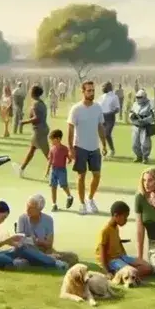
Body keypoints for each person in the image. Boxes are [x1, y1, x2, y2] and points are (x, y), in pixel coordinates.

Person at [0, 201, 62, 269]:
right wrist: (8, 240)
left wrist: (13, 244)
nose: (3, 221)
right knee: (3, 258)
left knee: (20, 248)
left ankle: (52, 262)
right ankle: (18, 262)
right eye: (3, 217)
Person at [67, 80, 107, 215]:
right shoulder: (76, 109)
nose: (91, 93)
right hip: (80, 147)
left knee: (97, 175)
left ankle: (90, 199)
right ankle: (82, 203)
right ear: (83, 92)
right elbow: (70, 129)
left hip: (94, 147)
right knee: (81, 177)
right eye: (88, 90)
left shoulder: (97, 107)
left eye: (93, 90)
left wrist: (104, 144)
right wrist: (71, 148)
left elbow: (100, 126)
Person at [16, 194, 79, 267]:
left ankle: (47, 259)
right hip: (28, 251)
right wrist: (36, 241)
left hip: (45, 251)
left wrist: (36, 241)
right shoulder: (22, 218)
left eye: (31, 208)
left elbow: (49, 244)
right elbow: (19, 240)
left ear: (40, 209)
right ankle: (51, 260)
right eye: (27, 206)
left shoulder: (48, 220)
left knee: (73, 256)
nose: (27, 209)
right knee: (26, 253)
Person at [97, 201, 153, 277]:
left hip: (122, 257)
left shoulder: (115, 228)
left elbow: (118, 244)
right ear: (116, 215)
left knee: (148, 267)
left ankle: (125, 272)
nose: (126, 220)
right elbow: (102, 252)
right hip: (112, 260)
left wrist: (127, 260)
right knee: (136, 271)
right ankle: (121, 274)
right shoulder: (105, 231)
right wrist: (107, 272)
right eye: (125, 217)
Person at [14, 85, 50, 178]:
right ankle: (21, 169)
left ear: (33, 93)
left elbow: (36, 118)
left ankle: (58, 173)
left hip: (39, 131)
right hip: (41, 130)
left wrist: (24, 122)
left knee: (48, 155)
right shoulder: (41, 103)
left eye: (30, 90)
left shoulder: (35, 104)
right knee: (32, 150)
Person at [45, 129, 74, 211]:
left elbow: (69, 157)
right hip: (53, 170)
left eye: (52, 140)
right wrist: (47, 171)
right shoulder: (52, 149)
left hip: (62, 170)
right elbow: (50, 160)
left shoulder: (65, 148)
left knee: (63, 185)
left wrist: (69, 159)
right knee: (53, 187)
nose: (51, 142)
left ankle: (69, 196)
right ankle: (54, 204)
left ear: (58, 139)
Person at [129, 89, 155, 164]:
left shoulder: (150, 104)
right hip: (136, 125)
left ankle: (145, 157)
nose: (138, 99)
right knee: (135, 143)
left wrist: (145, 120)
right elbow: (131, 112)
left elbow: (154, 115)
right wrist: (131, 116)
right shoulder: (135, 104)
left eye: (140, 97)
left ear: (144, 97)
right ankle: (138, 156)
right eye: (137, 97)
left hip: (145, 126)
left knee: (145, 143)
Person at [98, 81, 120, 157]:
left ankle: (112, 150)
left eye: (103, 87)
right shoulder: (101, 97)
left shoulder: (114, 97)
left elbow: (117, 109)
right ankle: (103, 149)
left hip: (110, 118)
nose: (102, 88)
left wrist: (110, 112)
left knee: (107, 134)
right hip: (101, 117)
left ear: (108, 88)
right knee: (101, 135)